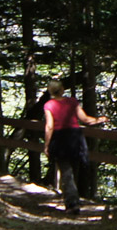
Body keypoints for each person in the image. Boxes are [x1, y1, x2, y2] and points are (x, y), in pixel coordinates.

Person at [42, 79, 107, 214]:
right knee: (73, 171)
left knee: (66, 172)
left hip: (60, 139)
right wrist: (99, 120)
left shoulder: (49, 105)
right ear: (62, 89)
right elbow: (85, 119)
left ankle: (72, 203)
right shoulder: (72, 102)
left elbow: (49, 126)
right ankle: (72, 201)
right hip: (75, 138)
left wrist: (46, 144)